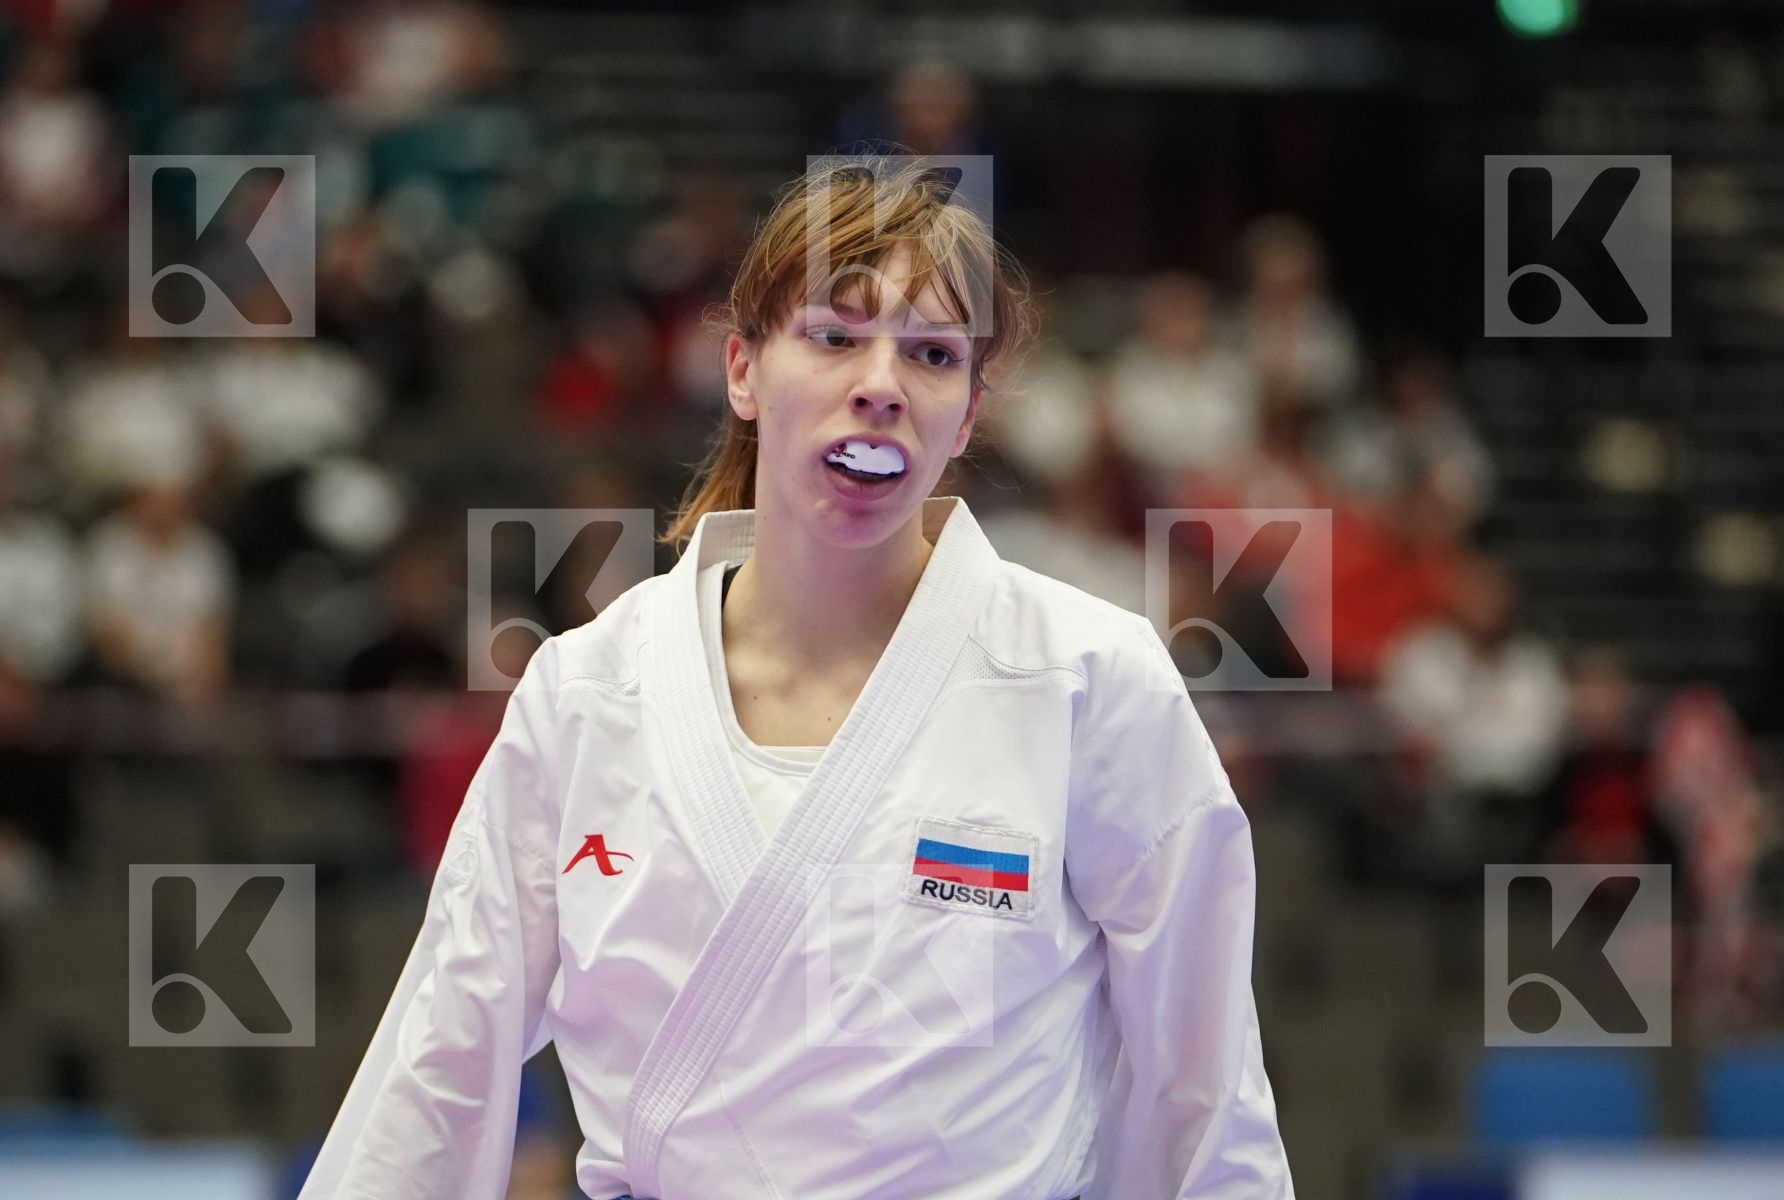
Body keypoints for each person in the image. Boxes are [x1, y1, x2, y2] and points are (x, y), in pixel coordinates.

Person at [299, 156, 1294, 1200]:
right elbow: (440, 1062)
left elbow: (1204, 1096)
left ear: (966, 413)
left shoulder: (1091, 681)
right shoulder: (586, 695)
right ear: (741, 370)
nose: (881, 384)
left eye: (933, 354)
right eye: (833, 336)